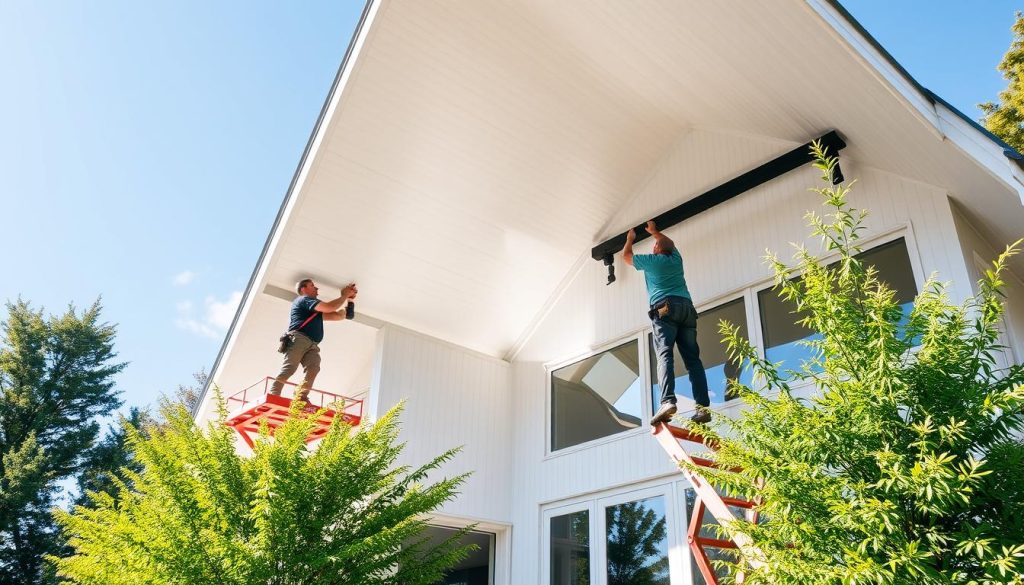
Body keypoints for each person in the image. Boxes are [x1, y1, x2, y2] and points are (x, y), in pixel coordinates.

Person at [624, 221, 711, 425]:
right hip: (687, 308)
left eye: (655, 245)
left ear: (656, 249)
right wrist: (655, 232)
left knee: (665, 354)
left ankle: (667, 401)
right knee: (693, 360)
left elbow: (626, 257)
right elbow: (667, 244)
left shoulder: (653, 261)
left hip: (665, 308)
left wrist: (629, 240)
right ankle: (702, 407)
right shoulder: (676, 258)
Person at [271, 279, 358, 402]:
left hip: (312, 344)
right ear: (303, 289)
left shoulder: (314, 312)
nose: (317, 289)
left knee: (313, 368)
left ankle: (301, 396)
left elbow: (340, 315)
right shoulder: (303, 300)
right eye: (312, 286)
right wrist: (344, 295)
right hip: (299, 339)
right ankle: (274, 394)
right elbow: (329, 307)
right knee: (289, 368)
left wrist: (350, 300)